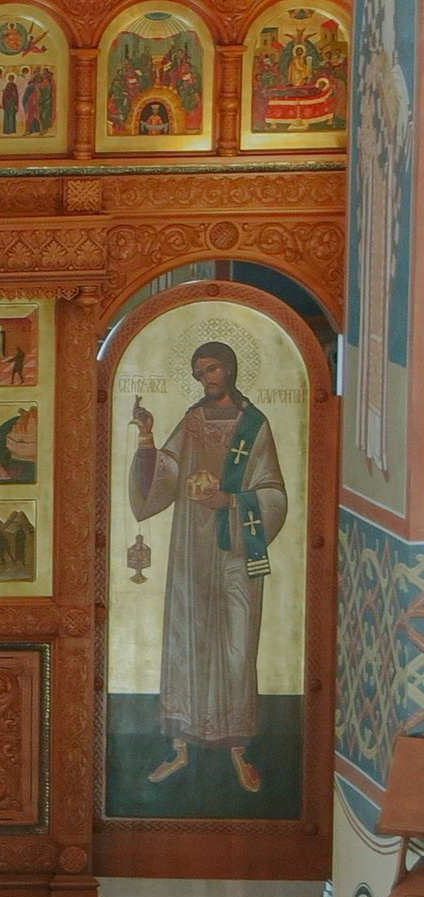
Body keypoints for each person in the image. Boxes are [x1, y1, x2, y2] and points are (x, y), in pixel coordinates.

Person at [128, 339, 289, 793]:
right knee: (188, 637)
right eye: (200, 373)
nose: (207, 379)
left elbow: (274, 493)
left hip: (235, 550)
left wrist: (231, 502)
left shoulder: (255, 426)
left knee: (237, 642)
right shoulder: (193, 422)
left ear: (232, 368)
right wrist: (146, 436)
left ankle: (238, 749)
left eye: (213, 369)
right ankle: (180, 746)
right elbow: (163, 477)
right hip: (190, 550)